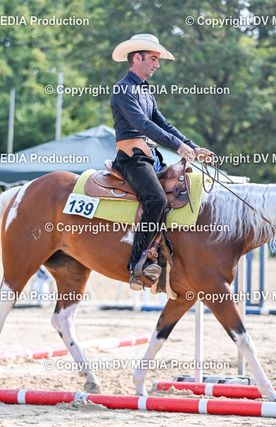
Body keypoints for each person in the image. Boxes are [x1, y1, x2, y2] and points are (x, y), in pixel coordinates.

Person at [110, 34, 214, 290]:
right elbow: (143, 125)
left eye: (158, 60)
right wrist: (178, 146)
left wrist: (192, 146)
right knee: (156, 200)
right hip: (132, 159)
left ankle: (164, 255)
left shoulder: (145, 91)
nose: (157, 65)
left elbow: (163, 124)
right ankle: (136, 266)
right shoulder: (123, 89)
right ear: (138, 58)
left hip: (150, 157)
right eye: (154, 59)